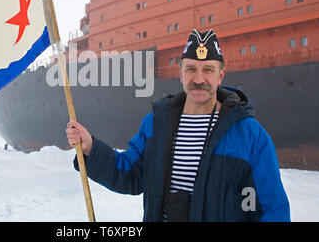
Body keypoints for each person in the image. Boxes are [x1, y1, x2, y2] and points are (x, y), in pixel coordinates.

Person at [66, 29, 290, 222]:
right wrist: (91, 148)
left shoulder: (250, 135)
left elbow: (270, 209)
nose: (199, 78)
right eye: (191, 69)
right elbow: (131, 174)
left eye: (208, 70)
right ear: (181, 73)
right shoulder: (156, 124)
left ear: (221, 75)